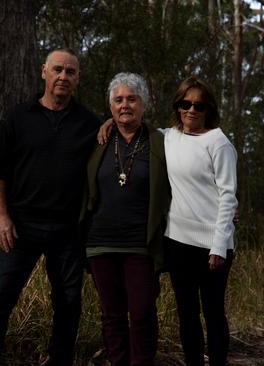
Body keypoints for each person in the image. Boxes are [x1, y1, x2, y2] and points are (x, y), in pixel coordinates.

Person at [0, 48, 101, 366]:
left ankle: (59, 360)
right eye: (58, 69)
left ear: (77, 79)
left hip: (67, 231)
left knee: (69, 303)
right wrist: (1, 216)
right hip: (20, 226)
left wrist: (113, 121)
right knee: (1, 296)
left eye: (70, 72)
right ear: (44, 72)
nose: (63, 76)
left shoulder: (89, 123)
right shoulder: (18, 116)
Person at [81, 72, 170, 366]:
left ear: (144, 103)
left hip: (140, 245)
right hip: (100, 243)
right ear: (110, 107)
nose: (125, 105)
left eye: (132, 99)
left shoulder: (162, 142)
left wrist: (225, 202)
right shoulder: (99, 140)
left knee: (143, 312)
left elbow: (192, 167)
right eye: (118, 100)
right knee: (112, 315)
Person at [163, 76, 237, 366]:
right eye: (186, 104)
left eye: (199, 106)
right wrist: (108, 123)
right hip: (177, 243)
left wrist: (219, 245)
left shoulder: (218, 143)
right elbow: (134, 129)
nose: (191, 110)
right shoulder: (168, 137)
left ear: (209, 110)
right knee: (186, 312)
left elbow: (229, 195)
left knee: (213, 311)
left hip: (212, 248)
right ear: (178, 106)